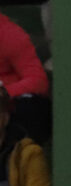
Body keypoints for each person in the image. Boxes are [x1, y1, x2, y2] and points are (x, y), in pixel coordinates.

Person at [0, 10, 51, 145]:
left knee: (32, 108)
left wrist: (5, 91)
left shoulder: (9, 34)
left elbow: (38, 81)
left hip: (10, 109)